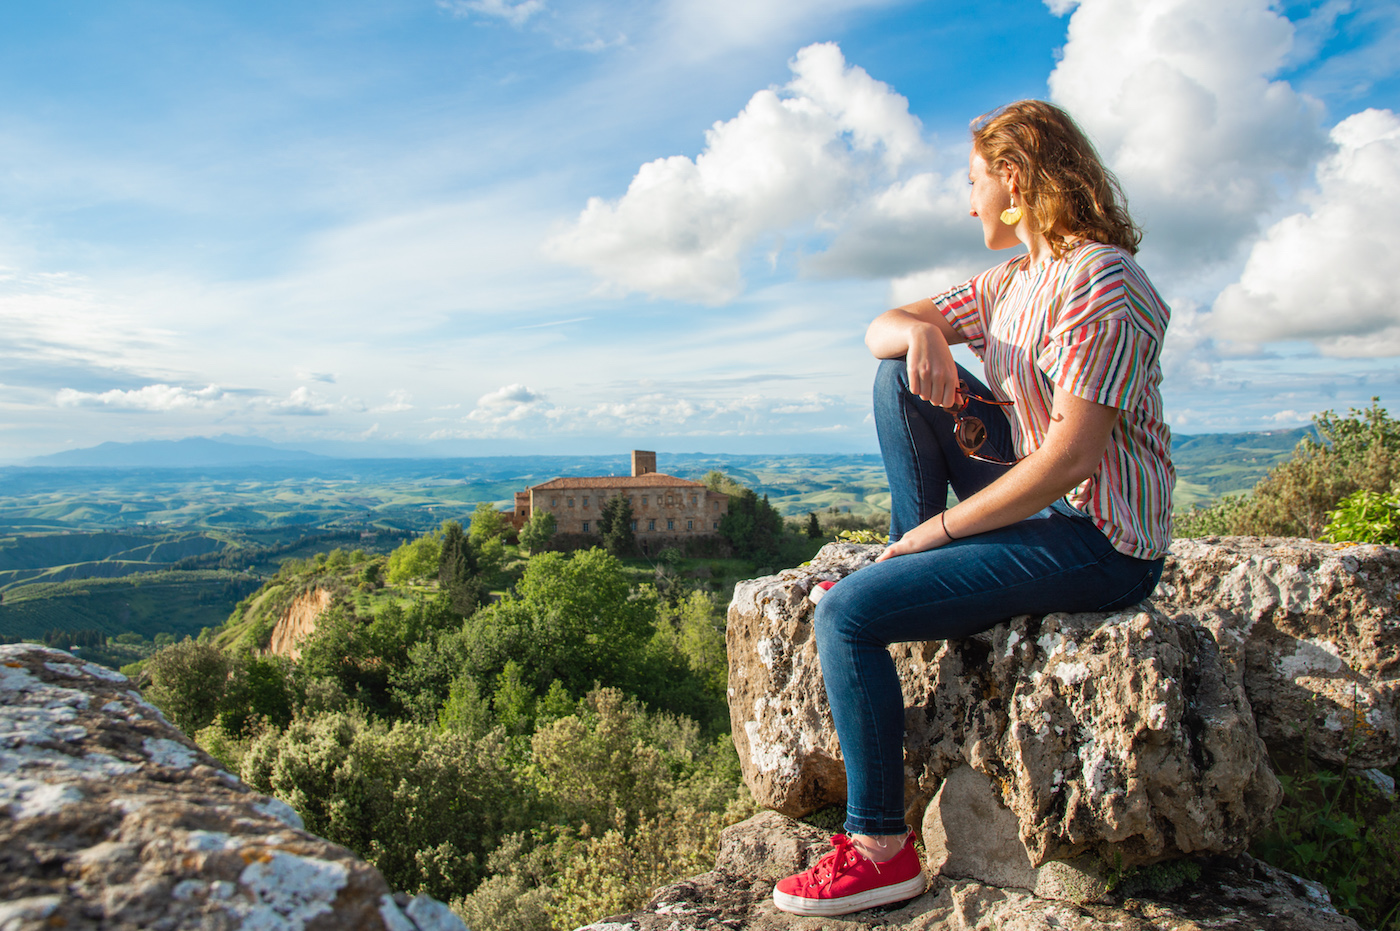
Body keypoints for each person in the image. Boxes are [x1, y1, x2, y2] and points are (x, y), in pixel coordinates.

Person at [771, 99, 1175, 918]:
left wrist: (941, 528)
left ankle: (881, 847)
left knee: (846, 617)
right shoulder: (1011, 283)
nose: (969, 201)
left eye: (974, 182)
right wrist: (921, 332)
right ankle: (906, 563)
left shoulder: (1103, 280)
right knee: (895, 371)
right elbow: (879, 329)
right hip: (1038, 501)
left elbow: (1073, 459)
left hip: (1101, 541)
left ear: (1015, 180)